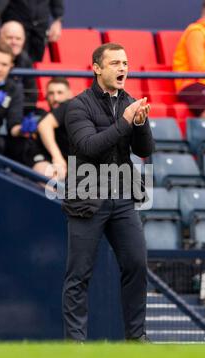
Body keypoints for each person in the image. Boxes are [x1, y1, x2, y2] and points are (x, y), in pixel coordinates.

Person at [61, 43, 154, 342]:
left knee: (137, 264)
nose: (122, 68)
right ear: (97, 68)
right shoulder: (77, 105)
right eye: (114, 63)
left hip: (123, 197)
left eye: (125, 63)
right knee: (79, 276)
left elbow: (144, 150)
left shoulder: (129, 102)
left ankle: (136, 338)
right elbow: (89, 147)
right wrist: (127, 122)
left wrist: (139, 125)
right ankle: (75, 346)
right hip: (87, 198)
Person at [0, 21, 38, 115]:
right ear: (0, 37)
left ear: (24, 40)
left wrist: (13, 106)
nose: (14, 42)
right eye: (9, 38)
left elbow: (32, 96)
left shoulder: (26, 60)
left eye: (18, 39)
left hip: (16, 114)